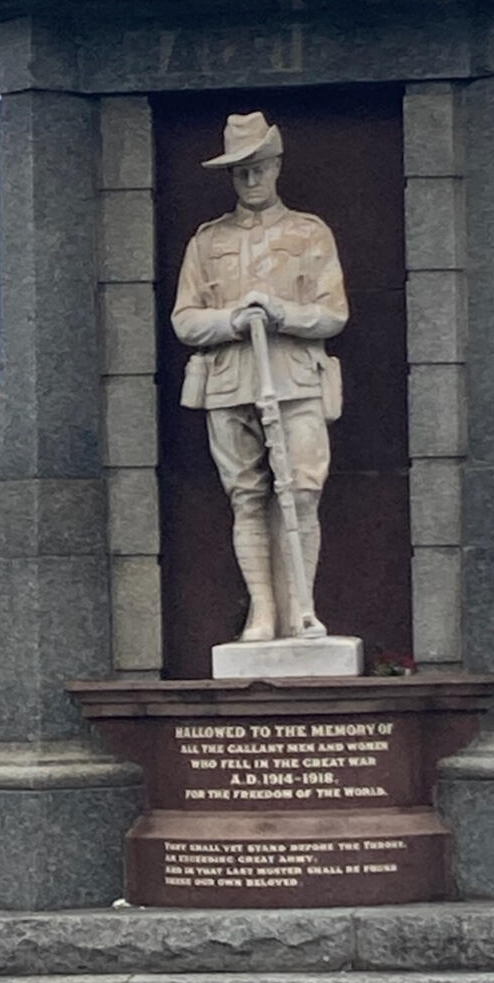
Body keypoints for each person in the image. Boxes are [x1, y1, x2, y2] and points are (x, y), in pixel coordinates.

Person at [172, 111, 349, 642]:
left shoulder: (308, 232)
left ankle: (301, 608)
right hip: (230, 382)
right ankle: (262, 612)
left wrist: (279, 313)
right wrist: (231, 321)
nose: (251, 181)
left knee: (300, 493)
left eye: (258, 169)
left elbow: (334, 313)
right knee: (246, 497)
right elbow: (184, 319)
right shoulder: (206, 242)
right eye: (240, 172)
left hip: (295, 380)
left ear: (276, 167)